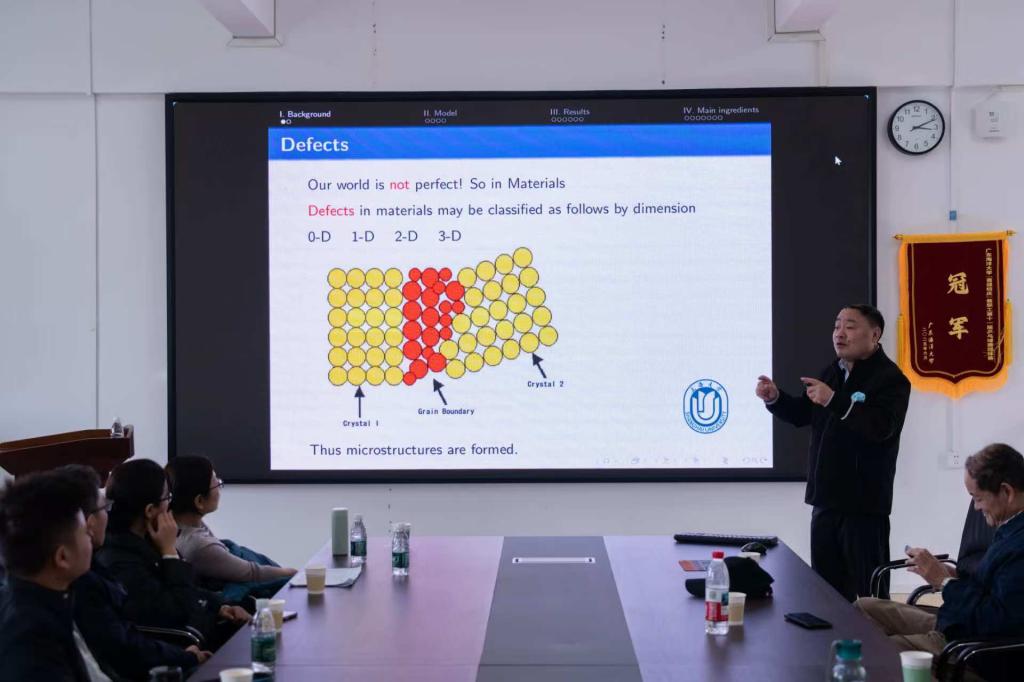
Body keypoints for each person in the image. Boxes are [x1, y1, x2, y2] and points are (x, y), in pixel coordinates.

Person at [756, 304, 911, 601]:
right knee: (826, 593)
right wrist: (775, 398)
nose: (840, 333)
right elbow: (803, 414)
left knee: (870, 597)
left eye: (850, 327)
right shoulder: (832, 372)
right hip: (825, 499)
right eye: (837, 326)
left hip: (863, 507)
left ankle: (875, 636)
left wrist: (834, 401)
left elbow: (881, 428)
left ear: (874, 334)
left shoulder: (891, 379)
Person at [855, 443, 1024, 656]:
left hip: (970, 649)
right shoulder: (1010, 527)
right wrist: (952, 576)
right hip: (956, 624)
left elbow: (995, 622)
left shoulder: (1019, 545)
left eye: (978, 498)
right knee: (863, 608)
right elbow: (993, 589)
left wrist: (944, 582)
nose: (976, 507)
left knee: (873, 649)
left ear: (1007, 492)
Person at [53, 464, 211, 679]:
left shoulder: (102, 563)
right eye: (104, 508)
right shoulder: (105, 569)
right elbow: (173, 614)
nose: (108, 515)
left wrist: (219, 605)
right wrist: (186, 657)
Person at [94, 459, 250, 649]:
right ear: (150, 510)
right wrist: (169, 553)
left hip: (200, 630)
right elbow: (177, 610)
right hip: (183, 646)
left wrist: (220, 606)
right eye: (167, 497)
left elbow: (191, 587)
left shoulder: (147, 538)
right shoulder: (119, 560)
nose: (170, 504)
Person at [0, 471, 95, 681]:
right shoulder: (31, 641)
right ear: (62, 557)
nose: (91, 535)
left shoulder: (37, 599)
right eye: (85, 532)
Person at [166, 456, 295, 602]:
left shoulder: (183, 523)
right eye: (216, 483)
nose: (219, 486)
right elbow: (252, 573)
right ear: (199, 501)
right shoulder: (199, 546)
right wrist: (292, 573)